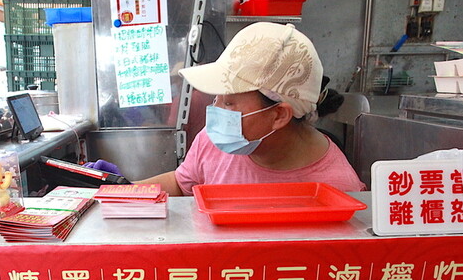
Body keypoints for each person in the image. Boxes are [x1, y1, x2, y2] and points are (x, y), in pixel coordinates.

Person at [136, 22, 364, 195]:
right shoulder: (211, 142)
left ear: (279, 115)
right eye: (217, 98)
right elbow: (181, 182)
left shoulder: (337, 188)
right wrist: (114, 192)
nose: (217, 111)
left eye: (229, 103)